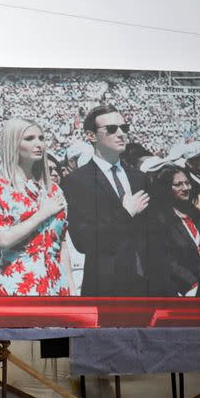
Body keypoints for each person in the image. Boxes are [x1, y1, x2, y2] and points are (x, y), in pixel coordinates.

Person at [62, 105, 150, 296]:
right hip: (106, 286)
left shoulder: (139, 178)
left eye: (123, 128)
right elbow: (83, 241)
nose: (121, 134)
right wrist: (125, 213)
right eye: (111, 129)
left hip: (146, 283)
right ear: (91, 136)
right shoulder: (76, 181)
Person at [0, 118, 75, 296]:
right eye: (29, 138)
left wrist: (71, 289)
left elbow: (61, 243)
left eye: (41, 138)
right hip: (19, 283)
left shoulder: (53, 189)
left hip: (57, 283)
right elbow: (4, 240)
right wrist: (42, 213)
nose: (38, 144)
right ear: (13, 143)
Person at [146, 166, 200, 297]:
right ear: (166, 188)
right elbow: (166, 260)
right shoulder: (159, 220)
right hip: (186, 288)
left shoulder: (198, 215)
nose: (186, 188)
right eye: (178, 184)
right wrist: (192, 283)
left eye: (187, 183)